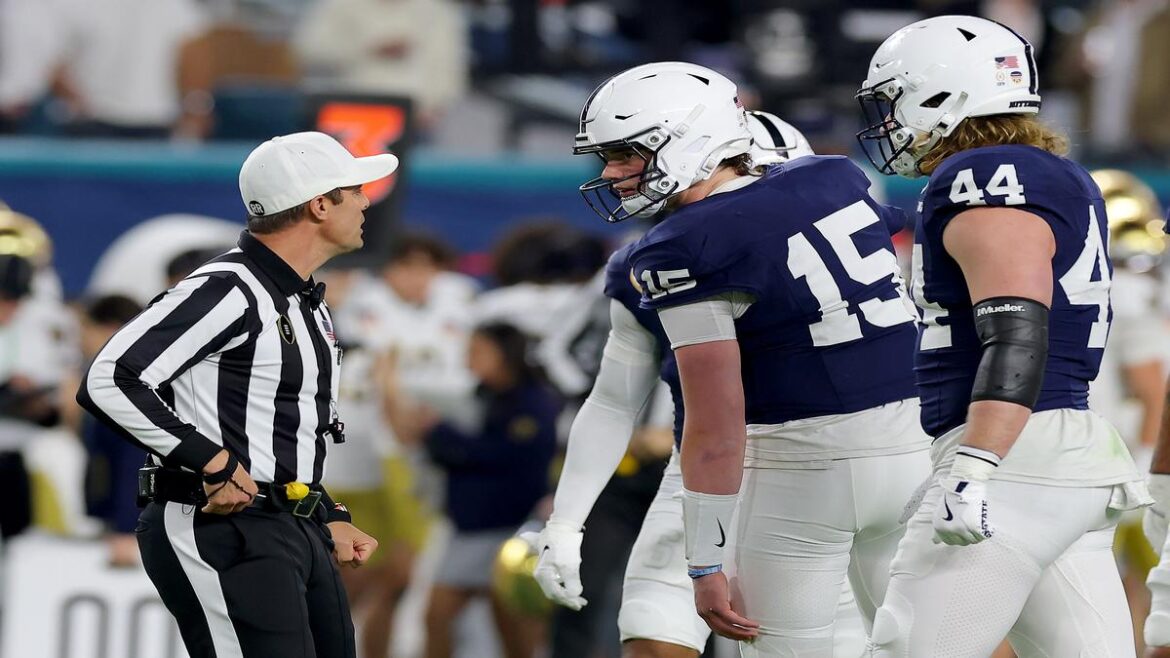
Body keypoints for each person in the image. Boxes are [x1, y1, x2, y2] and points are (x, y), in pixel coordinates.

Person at [570, 61, 932, 656]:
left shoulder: (682, 246)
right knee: (912, 645)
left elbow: (715, 425)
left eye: (626, 153)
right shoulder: (834, 177)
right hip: (913, 453)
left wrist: (703, 561)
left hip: (804, 468)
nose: (612, 173)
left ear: (691, 140)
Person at [526, 103, 872, 658]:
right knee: (654, 628)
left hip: (810, 465)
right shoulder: (654, 261)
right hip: (701, 467)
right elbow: (613, 400)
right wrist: (565, 524)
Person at [855, 16, 1150, 657]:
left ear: (941, 93)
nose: (888, 122)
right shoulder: (1045, 171)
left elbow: (1016, 331)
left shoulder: (985, 178)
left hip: (1015, 456)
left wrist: (975, 466)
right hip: (1063, 453)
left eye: (894, 99)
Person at [76, 131, 392, 657]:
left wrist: (322, 510)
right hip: (223, 525)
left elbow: (283, 428)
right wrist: (211, 461)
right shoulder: (228, 287)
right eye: (353, 188)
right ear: (318, 205)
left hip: (290, 522)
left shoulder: (305, 299)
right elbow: (109, 378)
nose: (365, 201)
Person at [390, 322, 559, 658]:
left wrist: (439, 434)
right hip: (469, 527)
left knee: (514, 628)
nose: (469, 358)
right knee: (436, 615)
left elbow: (505, 456)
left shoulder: (535, 403)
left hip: (511, 532)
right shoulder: (481, 396)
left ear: (505, 355)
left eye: (478, 351)